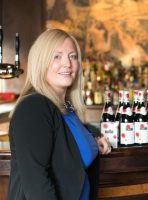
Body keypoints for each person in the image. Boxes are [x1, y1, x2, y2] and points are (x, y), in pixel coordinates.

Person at [7, 29, 111, 200]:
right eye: (57, 56)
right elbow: (37, 185)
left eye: (73, 56)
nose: (67, 63)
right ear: (41, 62)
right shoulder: (33, 108)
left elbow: (67, 142)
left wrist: (93, 141)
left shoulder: (65, 108)